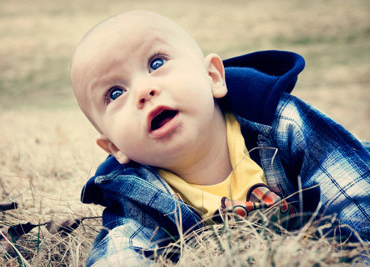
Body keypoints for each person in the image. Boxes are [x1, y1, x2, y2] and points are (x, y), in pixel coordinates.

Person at [70, 10, 370, 266]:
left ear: (213, 77)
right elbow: (120, 250)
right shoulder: (137, 193)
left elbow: (353, 190)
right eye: (115, 93)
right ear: (115, 147)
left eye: (156, 64)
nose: (143, 91)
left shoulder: (279, 122)